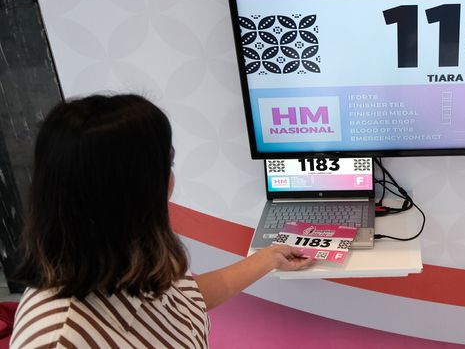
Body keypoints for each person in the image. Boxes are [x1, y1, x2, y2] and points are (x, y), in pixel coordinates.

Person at [9, 94, 313, 348]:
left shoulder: (129, 252)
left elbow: (184, 299)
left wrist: (268, 258)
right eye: (167, 166)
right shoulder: (58, 338)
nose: (171, 182)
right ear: (135, 190)